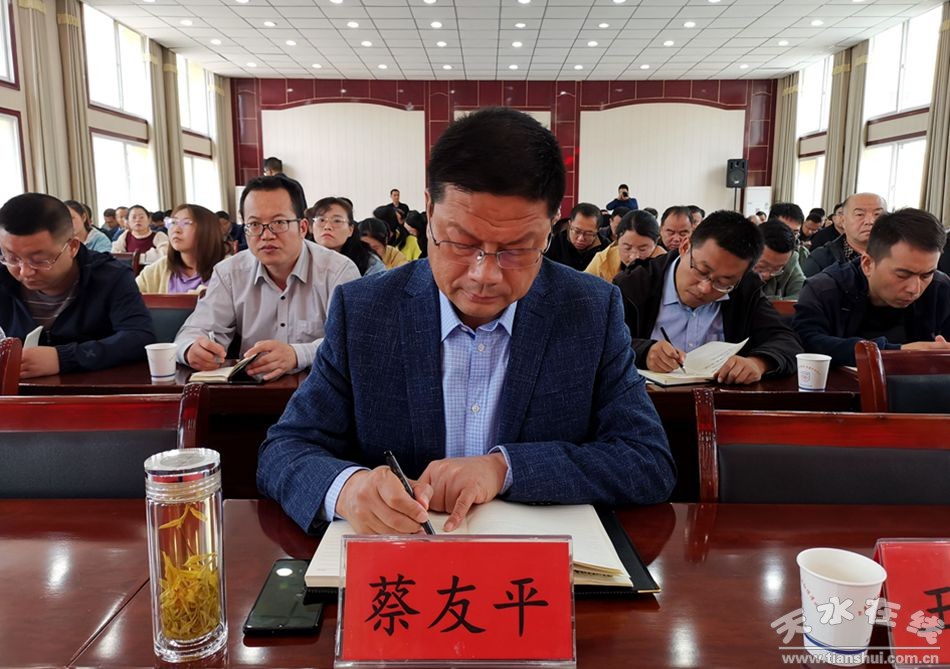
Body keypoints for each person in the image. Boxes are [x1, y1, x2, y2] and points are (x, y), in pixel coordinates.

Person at [257, 107, 675, 535]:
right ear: (429, 210)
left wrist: (505, 469)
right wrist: (347, 489)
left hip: (536, 562)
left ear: (552, 227)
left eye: (517, 249)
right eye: (460, 242)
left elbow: (647, 461)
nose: (484, 275)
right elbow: (285, 449)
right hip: (400, 560)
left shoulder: (590, 310)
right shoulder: (365, 310)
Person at [173, 175, 361, 381]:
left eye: (279, 222)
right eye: (254, 224)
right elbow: (194, 330)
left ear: (302, 228)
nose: (266, 235)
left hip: (323, 389)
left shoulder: (338, 271)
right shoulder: (229, 273)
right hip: (251, 392)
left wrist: (297, 354)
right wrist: (192, 349)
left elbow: (352, 342)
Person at [614, 210, 802, 384]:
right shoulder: (634, 285)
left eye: (723, 282)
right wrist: (644, 352)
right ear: (685, 247)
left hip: (720, 401)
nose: (705, 288)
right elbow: (606, 343)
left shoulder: (745, 291)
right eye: (702, 271)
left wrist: (758, 363)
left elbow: (787, 342)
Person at [0, 193, 155, 377]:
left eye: (40, 260)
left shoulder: (111, 276)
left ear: (73, 247)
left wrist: (63, 358)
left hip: (92, 388)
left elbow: (139, 337)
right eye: (12, 258)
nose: (25, 272)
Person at [793, 208, 950, 365]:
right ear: (867, 264)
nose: (914, 289)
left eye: (926, 275)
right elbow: (807, 341)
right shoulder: (825, 289)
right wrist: (895, 352)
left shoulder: (939, 287)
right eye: (902, 275)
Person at [136, 204, 228, 294]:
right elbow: (131, 296)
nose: (176, 229)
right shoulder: (157, 270)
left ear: (207, 230)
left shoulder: (228, 270)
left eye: (186, 223)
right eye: (173, 222)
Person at [802, 193, 887, 277]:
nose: (870, 221)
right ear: (843, 221)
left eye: (877, 214)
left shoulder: (893, 256)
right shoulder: (820, 259)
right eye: (860, 214)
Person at [311, 197, 385, 276]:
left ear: (350, 230)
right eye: (321, 220)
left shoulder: (369, 263)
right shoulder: (303, 255)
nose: (327, 227)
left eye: (337, 221)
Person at [586, 209, 665, 282]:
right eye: (627, 248)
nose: (634, 257)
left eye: (642, 249)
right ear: (617, 240)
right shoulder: (603, 260)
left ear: (656, 243)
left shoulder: (664, 265)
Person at [544, 202, 604, 271]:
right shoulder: (553, 243)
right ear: (569, 224)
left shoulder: (605, 249)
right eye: (577, 231)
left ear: (597, 230)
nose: (581, 238)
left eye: (588, 233)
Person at [755, 221, 804, 300]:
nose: (766, 275)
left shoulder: (789, 260)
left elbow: (803, 296)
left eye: (776, 269)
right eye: (761, 267)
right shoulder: (738, 262)